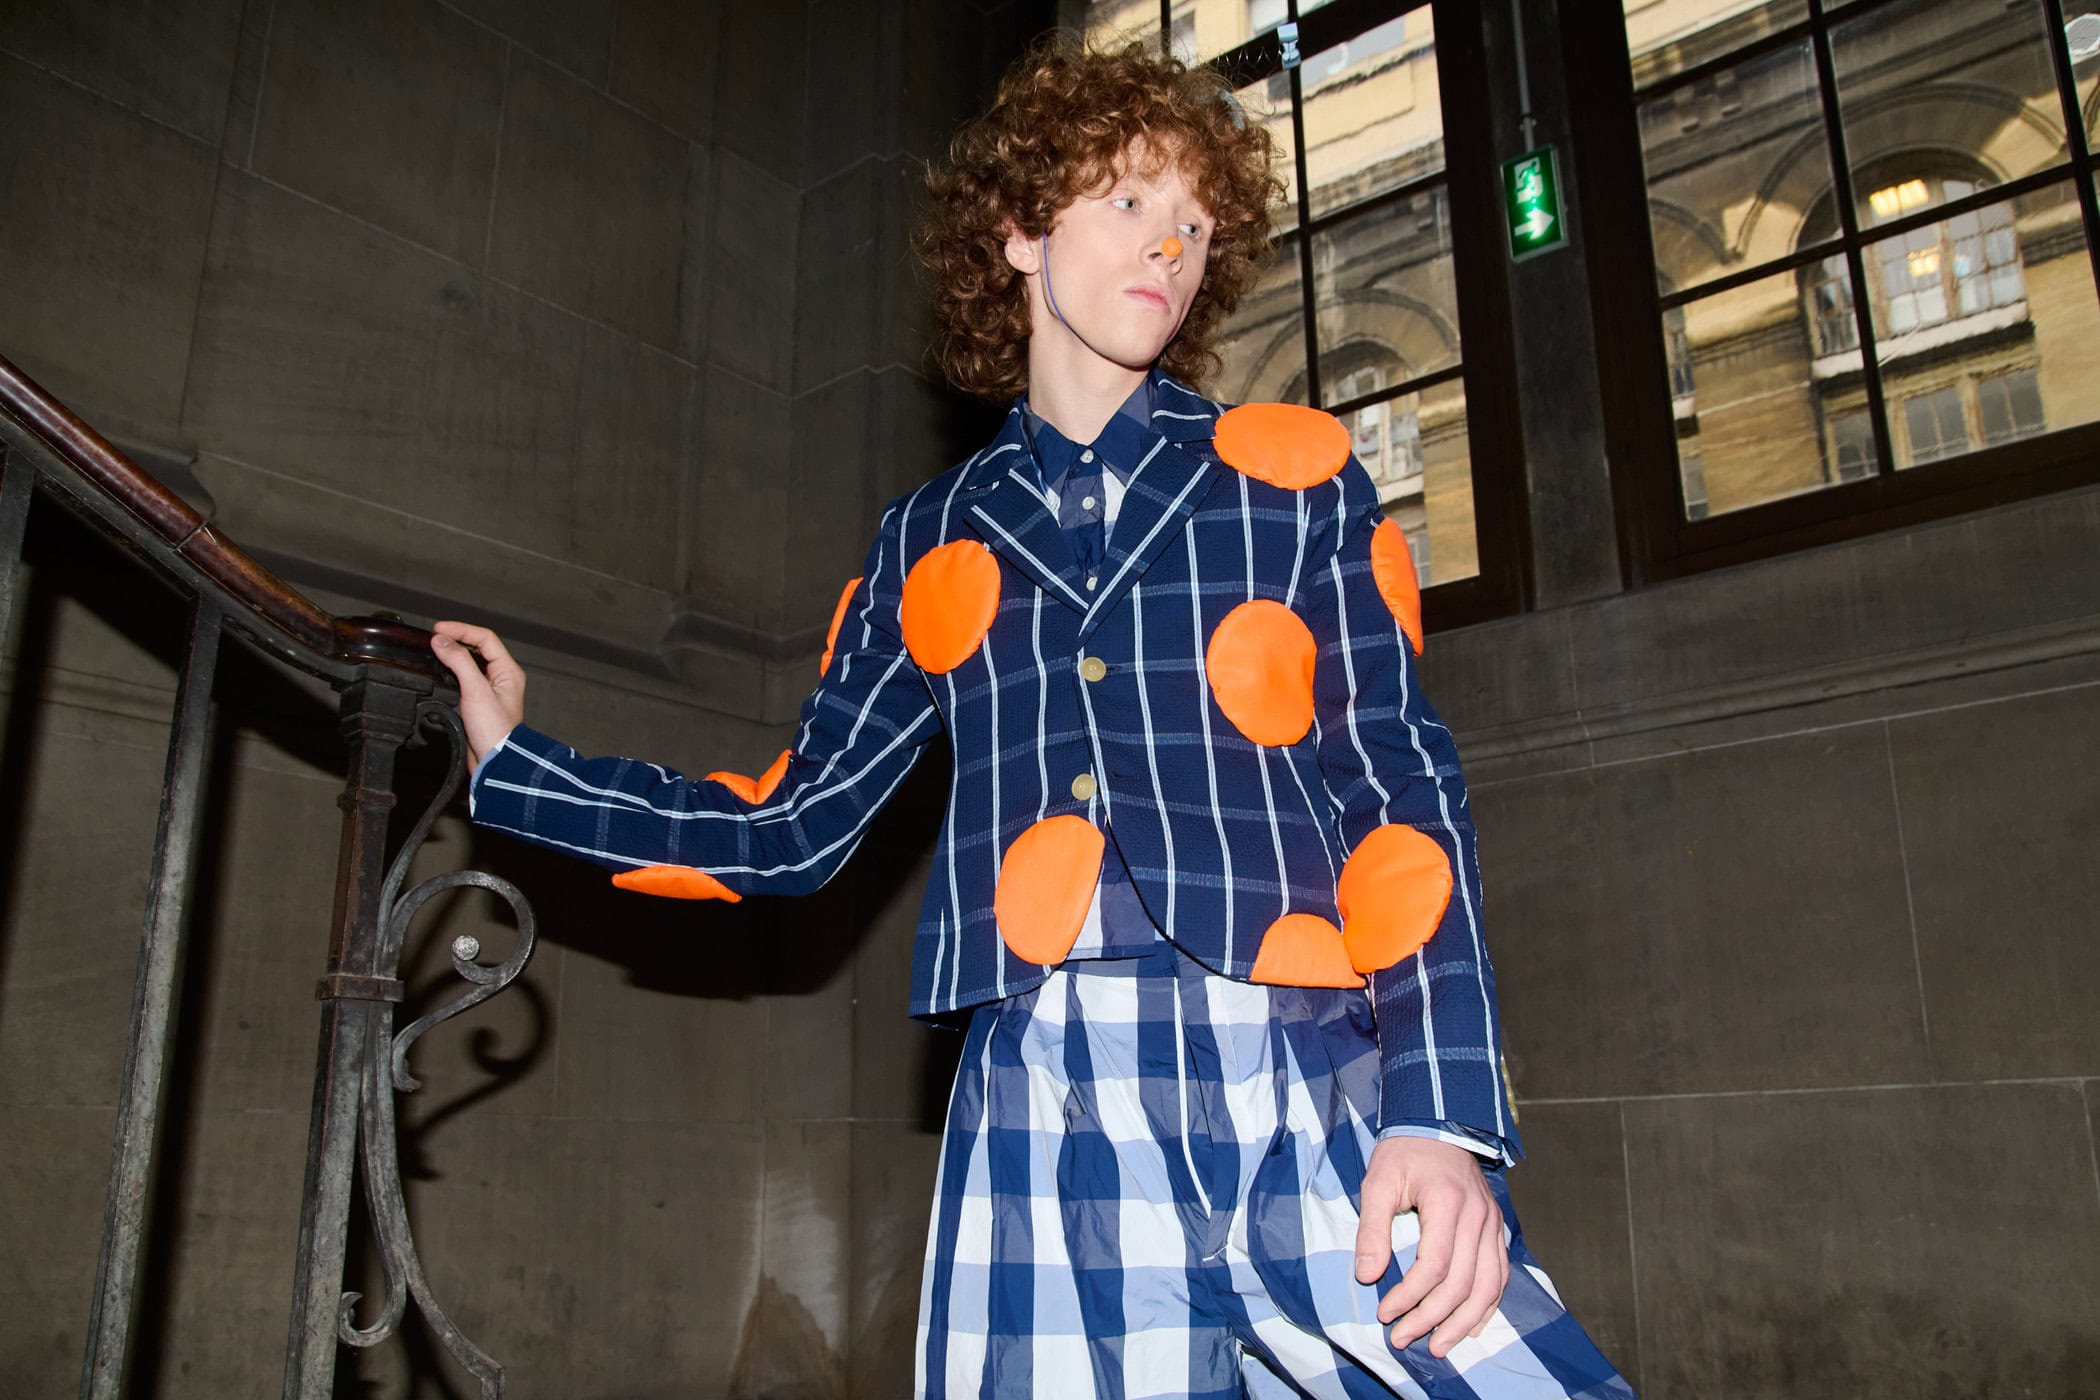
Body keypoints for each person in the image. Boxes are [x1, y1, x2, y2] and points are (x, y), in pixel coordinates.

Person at [432, 37, 1631, 1400]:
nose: (1170, 245)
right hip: (1043, 1106)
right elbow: (791, 825)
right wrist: (523, 768)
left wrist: (1441, 1110)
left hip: (1299, 1066)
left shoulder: (1293, 483)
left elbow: (1400, 793)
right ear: (1016, 231)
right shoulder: (929, 536)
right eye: (1129, 200)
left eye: (1196, 223)